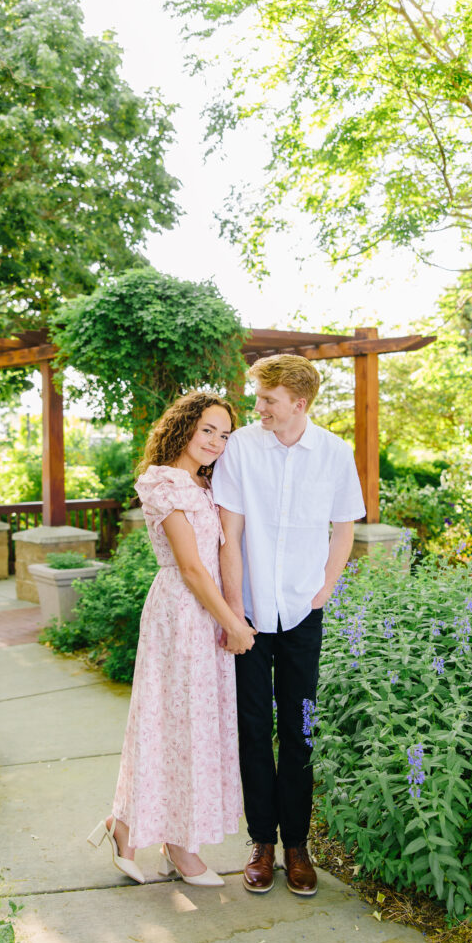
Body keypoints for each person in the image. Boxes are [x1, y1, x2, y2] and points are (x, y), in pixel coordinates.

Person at [212, 355, 366, 896]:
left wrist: (324, 589)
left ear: (299, 403)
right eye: (259, 397)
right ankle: (262, 843)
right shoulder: (240, 448)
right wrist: (235, 611)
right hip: (249, 613)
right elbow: (230, 534)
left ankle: (297, 846)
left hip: (303, 612)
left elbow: (344, 528)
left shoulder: (334, 452)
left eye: (268, 399)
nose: (258, 407)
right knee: (253, 729)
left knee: (300, 731)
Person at [88, 392, 255, 887]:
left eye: (224, 435)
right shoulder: (163, 482)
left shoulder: (206, 485)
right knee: (174, 724)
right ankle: (170, 843)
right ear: (184, 427)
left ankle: (147, 830)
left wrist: (228, 616)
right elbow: (191, 568)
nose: (216, 442)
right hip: (181, 613)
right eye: (208, 430)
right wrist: (234, 624)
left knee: (194, 728)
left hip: (206, 613)